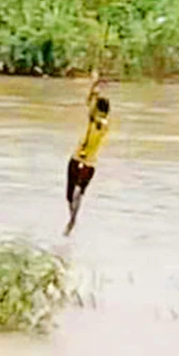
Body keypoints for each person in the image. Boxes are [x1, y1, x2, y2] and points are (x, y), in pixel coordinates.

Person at [64, 69, 110, 236]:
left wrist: (95, 93)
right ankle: (71, 218)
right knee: (69, 196)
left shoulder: (102, 124)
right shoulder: (93, 120)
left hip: (89, 163)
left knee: (78, 192)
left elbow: (93, 114)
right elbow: (88, 103)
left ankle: (73, 221)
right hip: (76, 158)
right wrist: (93, 87)